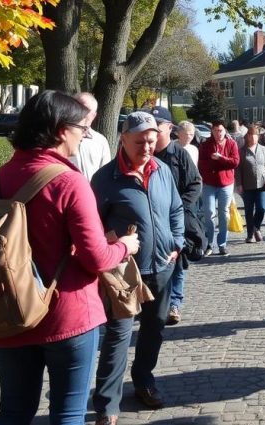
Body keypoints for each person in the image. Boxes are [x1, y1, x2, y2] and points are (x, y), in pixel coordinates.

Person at [0, 90, 139, 424]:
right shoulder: (69, 181)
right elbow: (96, 257)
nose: (84, 135)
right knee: (67, 413)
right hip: (66, 314)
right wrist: (126, 246)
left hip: (9, 311)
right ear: (59, 130)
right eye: (81, 127)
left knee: (13, 411)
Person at [91, 112, 184, 421]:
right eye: (139, 141)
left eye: (151, 140)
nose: (147, 147)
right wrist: (110, 246)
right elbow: (92, 225)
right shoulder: (106, 179)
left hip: (162, 266)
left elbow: (176, 208)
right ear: (123, 139)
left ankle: (144, 379)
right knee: (117, 336)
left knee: (154, 330)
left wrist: (177, 241)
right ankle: (107, 404)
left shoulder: (162, 170)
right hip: (124, 273)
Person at [150, 107, 204, 327]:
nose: (153, 130)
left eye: (158, 125)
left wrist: (179, 208)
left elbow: (195, 183)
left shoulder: (178, 153)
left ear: (169, 128)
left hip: (175, 219)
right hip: (151, 218)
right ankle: (153, 302)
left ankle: (174, 303)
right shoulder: (146, 151)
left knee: (177, 259)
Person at [198, 119, 239, 256]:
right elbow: (201, 164)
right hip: (209, 183)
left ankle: (222, 244)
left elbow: (235, 162)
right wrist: (214, 162)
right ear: (212, 131)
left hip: (226, 184)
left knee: (223, 214)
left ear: (225, 130)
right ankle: (209, 243)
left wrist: (221, 159)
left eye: (220, 130)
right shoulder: (205, 145)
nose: (218, 133)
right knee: (209, 213)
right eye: (215, 130)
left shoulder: (231, 144)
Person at [237, 124, 265, 243]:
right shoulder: (242, 151)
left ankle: (256, 227)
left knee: (262, 208)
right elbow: (238, 169)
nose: (253, 138)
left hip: (262, 184)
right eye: (250, 135)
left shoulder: (263, 149)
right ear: (247, 137)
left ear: (258, 137)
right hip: (247, 185)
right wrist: (239, 184)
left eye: (255, 135)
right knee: (248, 210)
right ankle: (250, 235)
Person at [71, 92, 113, 180]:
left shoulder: (100, 141)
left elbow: (105, 176)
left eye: (85, 109)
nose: (80, 112)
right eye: (77, 107)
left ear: (94, 116)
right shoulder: (60, 137)